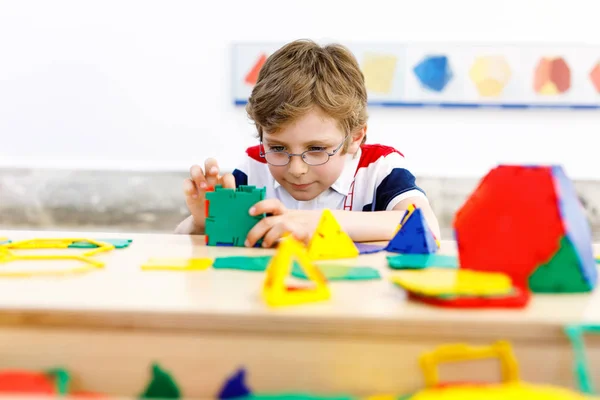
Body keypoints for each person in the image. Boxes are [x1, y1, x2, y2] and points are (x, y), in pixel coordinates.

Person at [175, 39, 440, 247]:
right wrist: (202, 224)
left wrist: (315, 223)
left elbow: (426, 226)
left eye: (316, 149)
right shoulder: (254, 167)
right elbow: (178, 240)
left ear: (355, 137)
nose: (296, 169)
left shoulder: (380, 168)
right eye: (278, 148)